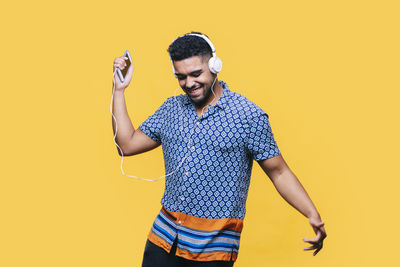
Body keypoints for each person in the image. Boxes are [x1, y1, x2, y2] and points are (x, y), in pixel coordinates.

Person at [111, 32, 327, 267]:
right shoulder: (171, 109)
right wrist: (119, 90)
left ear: (215, 66)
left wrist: (311, 213)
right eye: (181, 77)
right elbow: (126, 145)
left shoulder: (248, 116)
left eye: (196, 74)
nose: (189, 83)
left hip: (213, 249)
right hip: (162, 240)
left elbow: (279, 172)